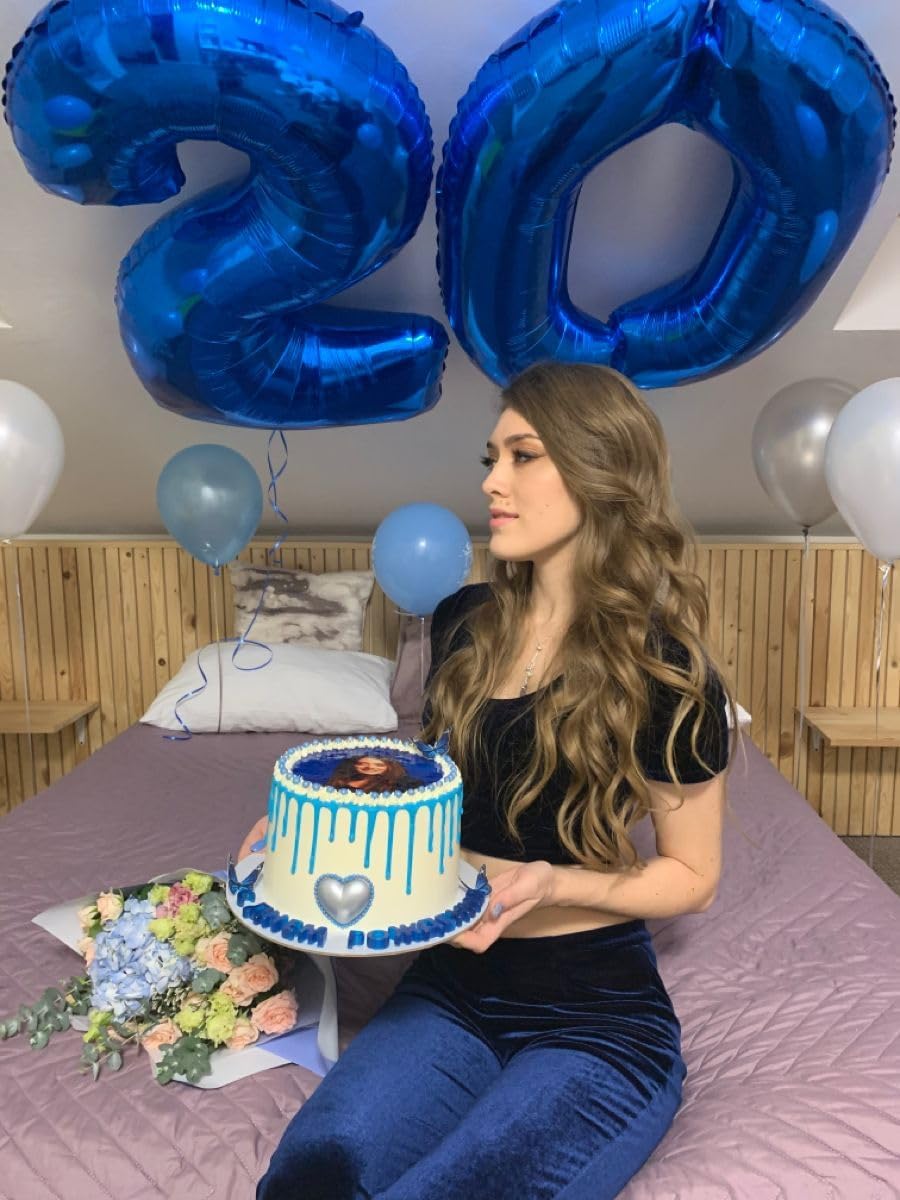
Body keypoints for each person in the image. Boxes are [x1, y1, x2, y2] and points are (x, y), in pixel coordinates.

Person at [245, 361, 738, 1200]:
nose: (490, 482)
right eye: (491, 457)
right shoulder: (464, 622)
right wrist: (311, 833)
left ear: (598, 470)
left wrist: (554, 882)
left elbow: (694, 878)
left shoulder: (664, 670)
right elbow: (428, 795)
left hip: (595, 1015)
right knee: (306, 1181)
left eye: (522, 456)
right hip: (451, 989)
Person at [325, 754, 421, 794]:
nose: (370, 767)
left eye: (379, 765)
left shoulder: (400, 785)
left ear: (389, 768)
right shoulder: (339, 782)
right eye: (363, 764)